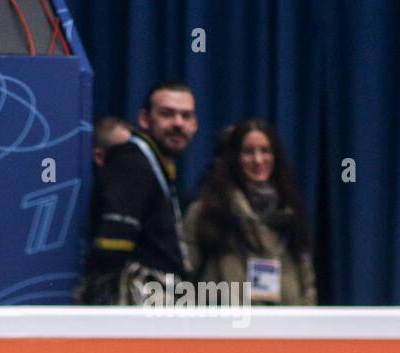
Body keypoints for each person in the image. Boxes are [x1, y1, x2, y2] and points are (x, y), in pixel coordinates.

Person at [78, 81, 198, 304]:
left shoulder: (157, 166)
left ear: (195, 125)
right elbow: (111, 248)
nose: (178, 123)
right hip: (136, 313)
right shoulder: (131, 162)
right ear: (144, 119)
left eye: (186, 116)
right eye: (167, 114)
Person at [183, 119, 316, 305]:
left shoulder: (290, 212)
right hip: (226, 329)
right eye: (248, 152)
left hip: (284, 328)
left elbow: (306, 281)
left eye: (265, 151)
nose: (258, 160)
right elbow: (184, 280)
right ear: (234, 158)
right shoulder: (205, 212)